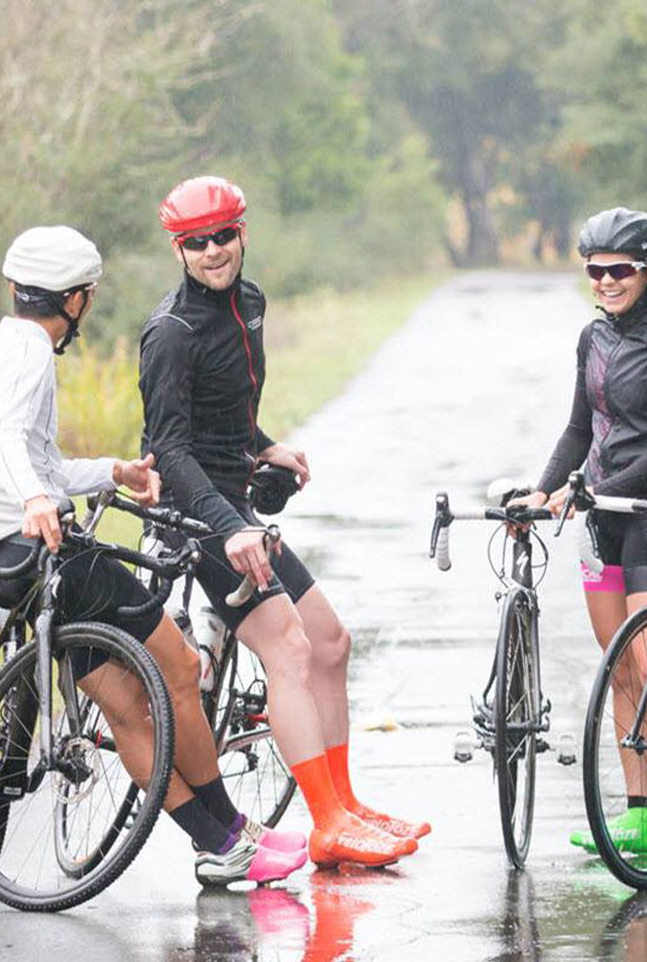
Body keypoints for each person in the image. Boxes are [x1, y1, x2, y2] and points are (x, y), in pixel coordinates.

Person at [0, 225, 307, 887]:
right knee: (178, 666)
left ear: (13, 289)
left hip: (0, 559)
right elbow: (10, 447)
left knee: (128, 707)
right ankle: (229, 827)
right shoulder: (31, 356)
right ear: (77, 300)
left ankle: (221, 840)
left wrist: (111, 471)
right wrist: (33, 498)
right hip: (48, 550)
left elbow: (41, 461)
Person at [139, 176, 429, 869]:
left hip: (236, 504)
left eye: (224, 236)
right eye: (195, 243)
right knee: (291, 651)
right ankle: (326, 823)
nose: (213, 251)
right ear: (178, 248)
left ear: (243, 231)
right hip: (196, 518)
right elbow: (169, 449)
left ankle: (346, 805)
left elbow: (226, 411)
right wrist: (227, 526)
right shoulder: (170, 333)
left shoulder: (249, 302)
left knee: (330, 640)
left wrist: (263, 445)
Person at [510, 208, 647, 862]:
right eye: (594, 270)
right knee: (620, 665)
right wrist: (543, 489)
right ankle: (640, 815)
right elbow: (576, 430)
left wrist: (606, 483)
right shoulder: (591, 339)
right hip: (602, 517)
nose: (605, 281)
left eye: (619, 270)